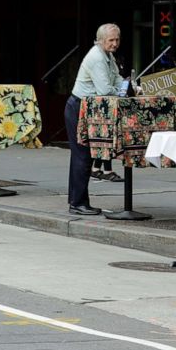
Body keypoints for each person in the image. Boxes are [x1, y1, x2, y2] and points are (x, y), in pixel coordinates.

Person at [65, 23, 124, 216]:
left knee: (84, 156)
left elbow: (117, 79)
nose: (115, 44)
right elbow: (106, 90)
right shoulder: (97, 58)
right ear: (100, 40)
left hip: (90, 108)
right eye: (111, 40)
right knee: (82, 156)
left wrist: (122, 88)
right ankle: (78, 203)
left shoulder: (108, 56)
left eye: (117, 40)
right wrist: (123, 91)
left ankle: (77, 200)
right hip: (79, 107)